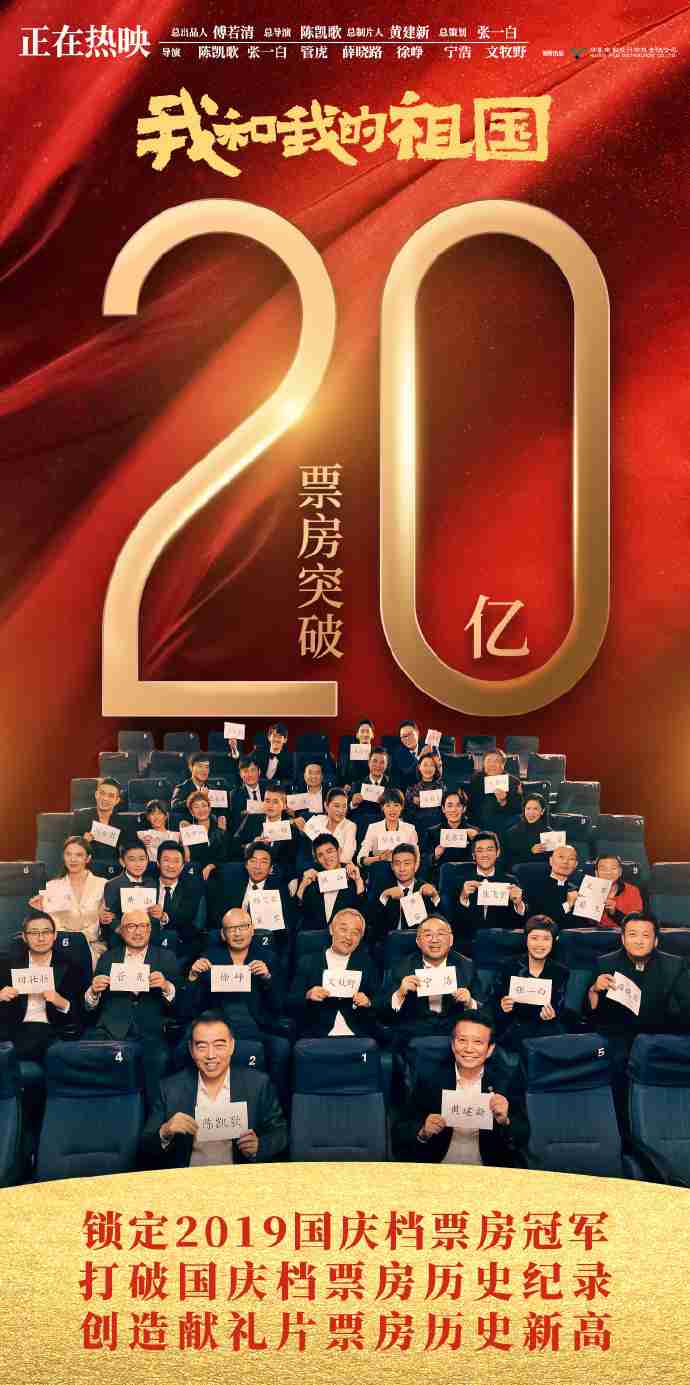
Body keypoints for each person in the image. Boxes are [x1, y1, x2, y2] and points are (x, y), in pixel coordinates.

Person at [141, 1012, 288, 1167]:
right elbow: (146, 1145)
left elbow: (280, 1132)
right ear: (191, 1049)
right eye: (202, 1046)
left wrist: (259, 1146)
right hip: (189, 1176)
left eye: (219, 1045)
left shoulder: (257, 1084)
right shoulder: (170, 1088)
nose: (211, 1055)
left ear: (231, 1046)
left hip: (238, 1176)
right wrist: (165, 1131)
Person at [183, 909, 290, 1103]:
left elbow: (279, 1006)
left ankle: (273, 1105)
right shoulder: (210, 957)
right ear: (223, 934)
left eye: (243, 927)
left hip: (257, 1025)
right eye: (231, 929)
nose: (238, 933)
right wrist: (193, 977)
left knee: (281, 1048)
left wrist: (267, 978)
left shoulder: (268, 958)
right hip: (218, 1026)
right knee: (184, 1048)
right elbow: (190, 1008)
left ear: (252, 930)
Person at [392, 1012, 529, 1165]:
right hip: (439, 1167)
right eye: (462, 1040)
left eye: (478, 1042)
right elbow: (400, 1131)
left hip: (487, 1170)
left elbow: (523, 1136)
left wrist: (505, 1121)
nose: (469, 1049)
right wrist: (423, 1131)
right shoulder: (430, 1079)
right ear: (452, 1044)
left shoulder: (504, 1081)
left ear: (490, 1049)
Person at [85, 910, 179, 1106]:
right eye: (131, 926)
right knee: (91, 1059)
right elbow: (89, 1007)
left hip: (151, 1030)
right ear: (121, 931)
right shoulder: (108, 957)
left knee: (158, 1060)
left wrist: (166, 986)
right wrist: (93, 991)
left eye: (144, 926)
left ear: (150, 930)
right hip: (111, 1028)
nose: (138, 931)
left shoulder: (166, 957)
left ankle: (153, 1116)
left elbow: (181, 1003)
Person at [383, 917, 478, 1047]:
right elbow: (383, 1013)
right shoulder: (402, 967)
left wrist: (469, 1002)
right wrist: (400, 994)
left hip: (455, 1036)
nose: (434, 940)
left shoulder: (466, 967)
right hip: (414, 1037)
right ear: (418, 941)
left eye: (441, 934)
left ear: (451, 940)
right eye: (428, 935)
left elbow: (485, 1010)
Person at [0, 912, 83, 1057]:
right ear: (24, 937)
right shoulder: (8, 964)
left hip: (51, 1030)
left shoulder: (71, 966)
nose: (41, 938)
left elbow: (82, 1012)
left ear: (55, 935)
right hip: (14, 1029)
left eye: (46, 932)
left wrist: (62, 1003)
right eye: (34, 933)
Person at [288, 909, 378, 1038]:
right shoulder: (308, 962)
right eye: (343, 929)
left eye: (355, 933)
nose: (348, 937)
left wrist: (368, 1002)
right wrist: (308, 995)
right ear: (331, 930)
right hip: (316, 1036)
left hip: (357, 1034)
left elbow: (379, 1002)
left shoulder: (366, 963)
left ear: (360, 939)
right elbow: (290, 1003)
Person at [492, 916, 569, 1050]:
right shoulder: (507, 966)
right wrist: (502, 1007)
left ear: (554, 941)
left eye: (546, 939)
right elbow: (491, 1002)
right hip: (511, 1032)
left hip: (545, 1034)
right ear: (526, 939)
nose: (540, 944)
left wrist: (553, 1014)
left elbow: (560, 1007)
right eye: (534, 938)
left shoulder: (561, 971)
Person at [29, 835, 105, 964]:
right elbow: (53, 923)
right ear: (63, 857)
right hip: (60, 947)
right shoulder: (52, 886)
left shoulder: (102, 884)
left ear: (88, 858)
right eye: (68, 854)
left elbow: (101, 922)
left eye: (79, 855)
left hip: (92, 947)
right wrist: (42, 909)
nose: (73, 859)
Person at [444, 832, 525, 942]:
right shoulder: (458, 881)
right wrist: (463, 898)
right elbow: (452, 921)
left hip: (500, 942)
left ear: (498, 853)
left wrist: (518, 903)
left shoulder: (511, 881)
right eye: (479, 850)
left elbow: (520, 923)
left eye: (489, 850)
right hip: (469, 941)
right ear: (473, 855)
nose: (485, 855)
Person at [208, 841, 293, 938]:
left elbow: (285, 928)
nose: (257, 866)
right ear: (246, 865)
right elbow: (217, 917)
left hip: (261, 940)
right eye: (253, 861)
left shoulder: (279, 891)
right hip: (231, 936)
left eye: (263, 862)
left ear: (271, 869)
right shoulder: (230, 883)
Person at [296, 834, 368, 931]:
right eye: (320, 855)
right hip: (316, 936)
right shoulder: (312, 880)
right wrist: (302, 886)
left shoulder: (354, 877)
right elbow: (297, 915)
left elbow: (364, 916)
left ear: (339, 851)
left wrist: (358, 882)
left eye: (329, 851)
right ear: (316, 860)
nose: (326, 857)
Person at [149, 840, 204, 961]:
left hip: (179, 944)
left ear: (183, 866)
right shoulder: (147, 884)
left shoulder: (192, 887)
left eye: (176, 861)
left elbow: (186, 917)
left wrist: (164, 916)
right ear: (158, 863)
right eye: (166, 860)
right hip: (148, 941)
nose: (171, 866)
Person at [232, 785, 300, 880]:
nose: (270, 805)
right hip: (248, 875)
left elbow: (291, 863)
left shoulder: (291, 829)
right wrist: (251, 846)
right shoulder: (252, 820)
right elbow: (233, 847)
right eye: (267, 801)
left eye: (275, 802)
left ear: (284, 805)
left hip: (276, 878)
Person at [374, 843, 440, 939]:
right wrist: (384, 897)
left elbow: (443, 921)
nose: (402, 869)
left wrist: (435, 896)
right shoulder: (382, 888)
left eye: (407, 863)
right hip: (390, 941)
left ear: (416, 865)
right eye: (397, 864)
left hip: (420, 941)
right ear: (392, 866)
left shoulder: (425, 889)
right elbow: (371, 923)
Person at [100, 838, 157, 939]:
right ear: (122, 862)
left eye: (142, 859)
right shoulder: (113, 884)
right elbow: (110, 918)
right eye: (132, 859)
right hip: (122, 935)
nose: (138, 864)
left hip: (148, 934)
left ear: (147, 860)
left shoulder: (152, 882)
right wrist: (123, 931)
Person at [424, 789, 479, 879]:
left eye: (458, 805)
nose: (454, 810)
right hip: (440, 879)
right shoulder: (432, 832)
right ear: (443, 809)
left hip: (468, 878)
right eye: (449, 806)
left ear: (464, 809)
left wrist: (477, 840)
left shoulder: (474, 832)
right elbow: (422, 862)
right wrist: (434, 855)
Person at [71, 777, 127, 864]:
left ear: (117, 800)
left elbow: (126, 850)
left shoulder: (122, 822)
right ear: (96, 794)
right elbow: (70, 848)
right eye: (102, 793)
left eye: (111, 796)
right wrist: (83, 842)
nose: (105, 798)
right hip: (86, 866)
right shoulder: (81, 817)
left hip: (112, 867)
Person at [468, 750, 523, 838]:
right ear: (484, 764)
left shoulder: (513, 782)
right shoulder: (476, 779)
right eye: (489, 761)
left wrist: (504, 801)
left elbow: (518, 810)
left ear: (503, 764)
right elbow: (471, 807)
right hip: (479, 824)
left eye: (496, 761)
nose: (492, 765)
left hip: (504, 825)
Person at [358, 789, 419, 866]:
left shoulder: (410, 829)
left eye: (396, 805)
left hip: (404, 870)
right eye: (388, 805)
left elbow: (416, 858)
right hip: (380, 868)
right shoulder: (373, 828)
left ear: (401, 807)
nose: (392, 810)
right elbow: (360, 859)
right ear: (382, 807)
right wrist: (379, 858)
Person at [297, 787, 357, 865]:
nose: (341, 811)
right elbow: (303, 830)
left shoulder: (350, 826)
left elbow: (346, 858)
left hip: (334, 869)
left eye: (344, 806)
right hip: (312, 865)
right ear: (326, 806)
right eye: (337, 806)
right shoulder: (317, 820)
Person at [178, 791, 227, 878]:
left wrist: (210, 866)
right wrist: (184, 842)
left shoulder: (220, 826)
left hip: (218, 871)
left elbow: (224, 855)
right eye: (196, 807)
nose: (201, 810)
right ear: (192, 812)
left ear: (209, 808)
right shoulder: (189, 830)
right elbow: (187, 860)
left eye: (204, 805)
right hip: (196, 872)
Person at [526, 844, 580, 922]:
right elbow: (540, 920)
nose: (565, 862)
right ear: (551, 861)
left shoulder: (577, 890)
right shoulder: (535, 886)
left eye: (571, 859)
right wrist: (568, 904)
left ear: (576, 864)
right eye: (561, 857)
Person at [404, 751, 446, 840]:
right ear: (419, 767)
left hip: (438, 828)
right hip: (419, 829)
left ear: (435, 768)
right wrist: (413, 802)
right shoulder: (411, 789)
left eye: (432, 765)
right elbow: (407, 813)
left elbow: (445, 810)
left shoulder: (442, 787)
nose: (428, 768)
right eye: (425, 765)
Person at [504, 794, 550, 867]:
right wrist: (531, 851)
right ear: (524, 810)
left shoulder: (549, 833)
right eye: (528, 808)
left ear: (542, 811)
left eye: (535, 809)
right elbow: (508, 860)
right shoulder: (512, 832)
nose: (531, 812)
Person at [228, 756, 268, 830]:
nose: (250, 775)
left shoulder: (269, 789)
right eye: (245, 771)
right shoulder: (234, 795)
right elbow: (233, 822)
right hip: (247, 833)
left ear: (259, 772)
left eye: (253, 770)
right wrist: (243, 817)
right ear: (240, 774)